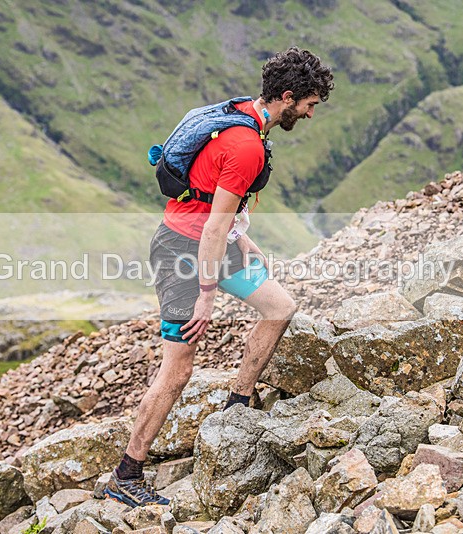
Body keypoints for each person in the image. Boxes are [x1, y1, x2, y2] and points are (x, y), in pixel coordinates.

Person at [104, 46, 334, 508]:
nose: (310, 114)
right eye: (309, 105)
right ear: (287, 97)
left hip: (215, 243)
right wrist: (207, 294)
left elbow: (217, 203)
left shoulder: (245, 115)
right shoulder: (247, 143)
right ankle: (126, 475)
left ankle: (238, 404)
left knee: (280, 307)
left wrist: (242, 239)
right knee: (179, 370)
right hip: (182, 252)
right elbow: (210, 225)